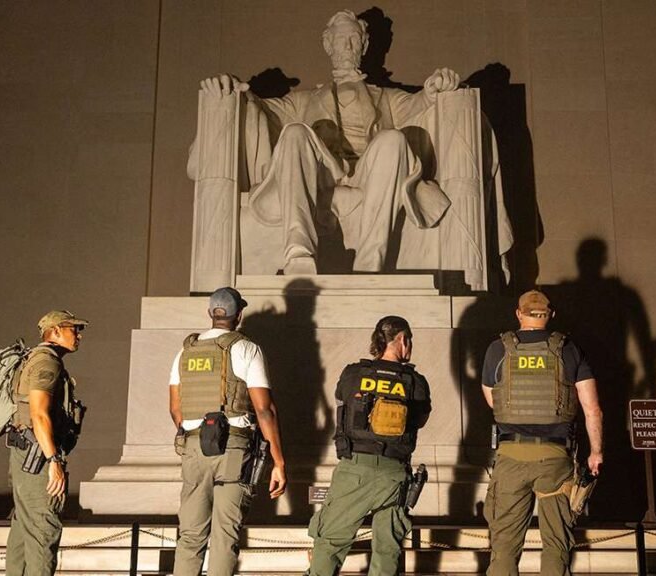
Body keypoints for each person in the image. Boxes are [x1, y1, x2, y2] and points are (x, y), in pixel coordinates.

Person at [198, 10, 461, 274]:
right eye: (340, 39)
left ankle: (370, 264)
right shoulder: (303, 101)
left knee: (393, 138)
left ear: (365, 45)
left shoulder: (386, 97)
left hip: (369, 176)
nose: (347, 46)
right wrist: (232, 88)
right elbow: (259, 106)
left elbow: (419, 104)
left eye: (354, 39)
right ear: (327, 45)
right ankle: (299, 251)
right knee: (294, 133)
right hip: (321, 174)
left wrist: (433, 89)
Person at [480, 290, 602, 576]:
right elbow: (592, 409)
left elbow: (492, 401)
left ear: (518, 314)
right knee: (557, 544)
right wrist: (596, 452)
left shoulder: (499, 349)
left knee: (504, 546)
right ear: (551, 315)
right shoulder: (568, 348)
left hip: (511, 457)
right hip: (555, 458)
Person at [168, 287, 287, 576]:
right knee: (225, 535)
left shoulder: (186, 351)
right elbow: (264, 410)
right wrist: (278, 461)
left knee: (190, 535)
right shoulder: (247, 348)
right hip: (233, 446)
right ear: (239, 315)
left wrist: (199, 436)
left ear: (211, 313)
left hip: (194, 447)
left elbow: (176, 410)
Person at [307, 315, 432, 576]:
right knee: (387, 548)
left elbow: (342, 400)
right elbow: (419, 420)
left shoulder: (353, 374)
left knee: (331, 540)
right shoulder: (415, 382)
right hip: (393, 473)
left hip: (354, 469)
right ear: (402, 340)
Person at [6, 310, 89, 576]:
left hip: (24, 456)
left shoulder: (34, 359)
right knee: (43, 532)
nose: (78, 335)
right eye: (72, 329)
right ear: (54, 332)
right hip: (38, 458)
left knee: (23, 534)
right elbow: (38, 413)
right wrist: (53, 460)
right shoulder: (47, 363)